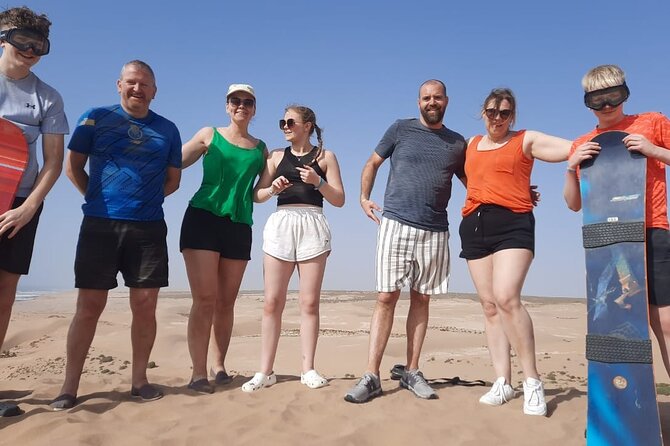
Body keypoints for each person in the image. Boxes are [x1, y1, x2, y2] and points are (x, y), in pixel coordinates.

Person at [50, 60, 181, 410]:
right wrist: (97, 199)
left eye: (145, 84)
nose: (138, 89)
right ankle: (69, 386)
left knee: (145, 306)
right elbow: (72, 167)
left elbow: (173, 180)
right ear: (119, 84)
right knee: (89, 307)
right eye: (132, 83)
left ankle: (139, 381)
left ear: (155, 91)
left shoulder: (168, 129)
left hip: (149, 228)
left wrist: (144, 200)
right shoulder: (94, 117)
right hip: (99, 225)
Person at [344, 79, 466, 403]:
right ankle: (371, 376)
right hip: (395, 223)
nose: (431, 102)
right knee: (386, 297)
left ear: (446, 101)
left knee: (421, 299)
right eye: (426, 97)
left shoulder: (457, 143)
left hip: (435, 229)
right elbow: (372, 162)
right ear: (418, 102)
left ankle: (412, 371)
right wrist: (363, 197)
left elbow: (475, 182)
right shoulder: (400, 129)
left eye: (437, 97)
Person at [459, 88, 570, 416]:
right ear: (483, 113)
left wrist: (601, 141)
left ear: (513, 116)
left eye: (504, 113)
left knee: (507, 297)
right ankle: (502, 381)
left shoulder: (525, 139)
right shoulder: (470, 144)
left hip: (513, 223)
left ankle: (532, 381)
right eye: (492, 111)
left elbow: (568, 148)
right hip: (474, 223)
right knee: (490, 306)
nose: (497, 118)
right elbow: (466, 172)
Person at [563, 64, 670, 380]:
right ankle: (627, 413)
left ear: (625, 93)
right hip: (607, 243)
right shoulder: (582, 143)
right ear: (588, 102)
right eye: (598, 99)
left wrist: (654, 150)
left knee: (663, 323)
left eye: (614, 96)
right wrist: (571, 168)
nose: (607, 106)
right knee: (617, 323)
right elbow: (573, 204)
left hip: (651, 231)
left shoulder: (651, 122)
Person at [241, 105, 345, 392]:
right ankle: (265, 372)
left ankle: (307, 369)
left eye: (290, 122)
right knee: (272, 302)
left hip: (312, 224)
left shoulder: (326, 157)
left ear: (307, 125)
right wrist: (273, 188)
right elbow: (257, 195)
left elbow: (338, 199)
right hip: (281, 225)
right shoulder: (275, 156)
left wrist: (318, 181)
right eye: (282, 122)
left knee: (309, 303)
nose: (285, 126)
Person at [0, 6, 68, 417]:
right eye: (24, 42)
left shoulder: (48, 96)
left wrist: (29, 206)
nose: (30, 52)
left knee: (5, 297)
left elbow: (54, 162)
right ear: (3, 38)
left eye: (39, 46)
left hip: (22, 207)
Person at [179, 84, 266, 394]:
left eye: (248, 102)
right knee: (204, 299)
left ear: (254, 109)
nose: (241, 105)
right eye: (235, 100)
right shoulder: (209, 134)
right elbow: (175, 160)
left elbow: (259, 193)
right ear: (227, 106)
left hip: (240, 225)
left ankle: (219, 367)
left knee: (226, 302)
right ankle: (198, 373)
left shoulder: (260, 149)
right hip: (203, 218)